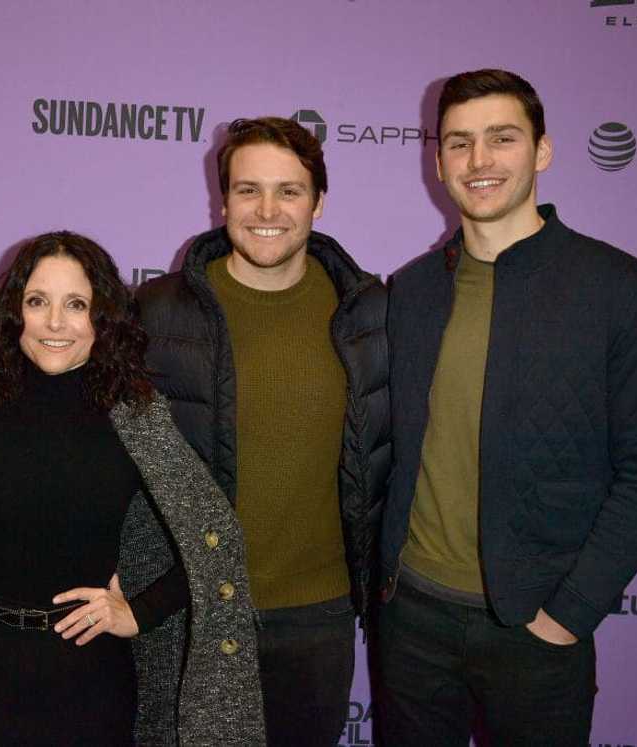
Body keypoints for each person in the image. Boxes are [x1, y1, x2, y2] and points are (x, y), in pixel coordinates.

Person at [378, 68, 637, 746]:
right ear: (437, 163)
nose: (479, 161)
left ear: (542, 151)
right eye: (459, 143)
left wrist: (569, 612)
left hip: (537, 630)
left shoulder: (620, 289)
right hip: (413, 622)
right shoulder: (410, 291)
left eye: (502, 138)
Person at [0, 232, 265, 746]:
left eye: (76, 304)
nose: (55, 323)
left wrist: (139, 612)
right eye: (38, 302)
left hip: (91, 688)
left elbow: (216, 544)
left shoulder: (138, 420)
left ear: (102, 319)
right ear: (16, 313)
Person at [136, 117, 390, 746]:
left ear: (319, 202)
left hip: (318, 618)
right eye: (249, 190)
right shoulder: (156, 312)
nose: (267, 209)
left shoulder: (371, 314)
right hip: (191, 609)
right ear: (223, 200)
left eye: (290, 190)